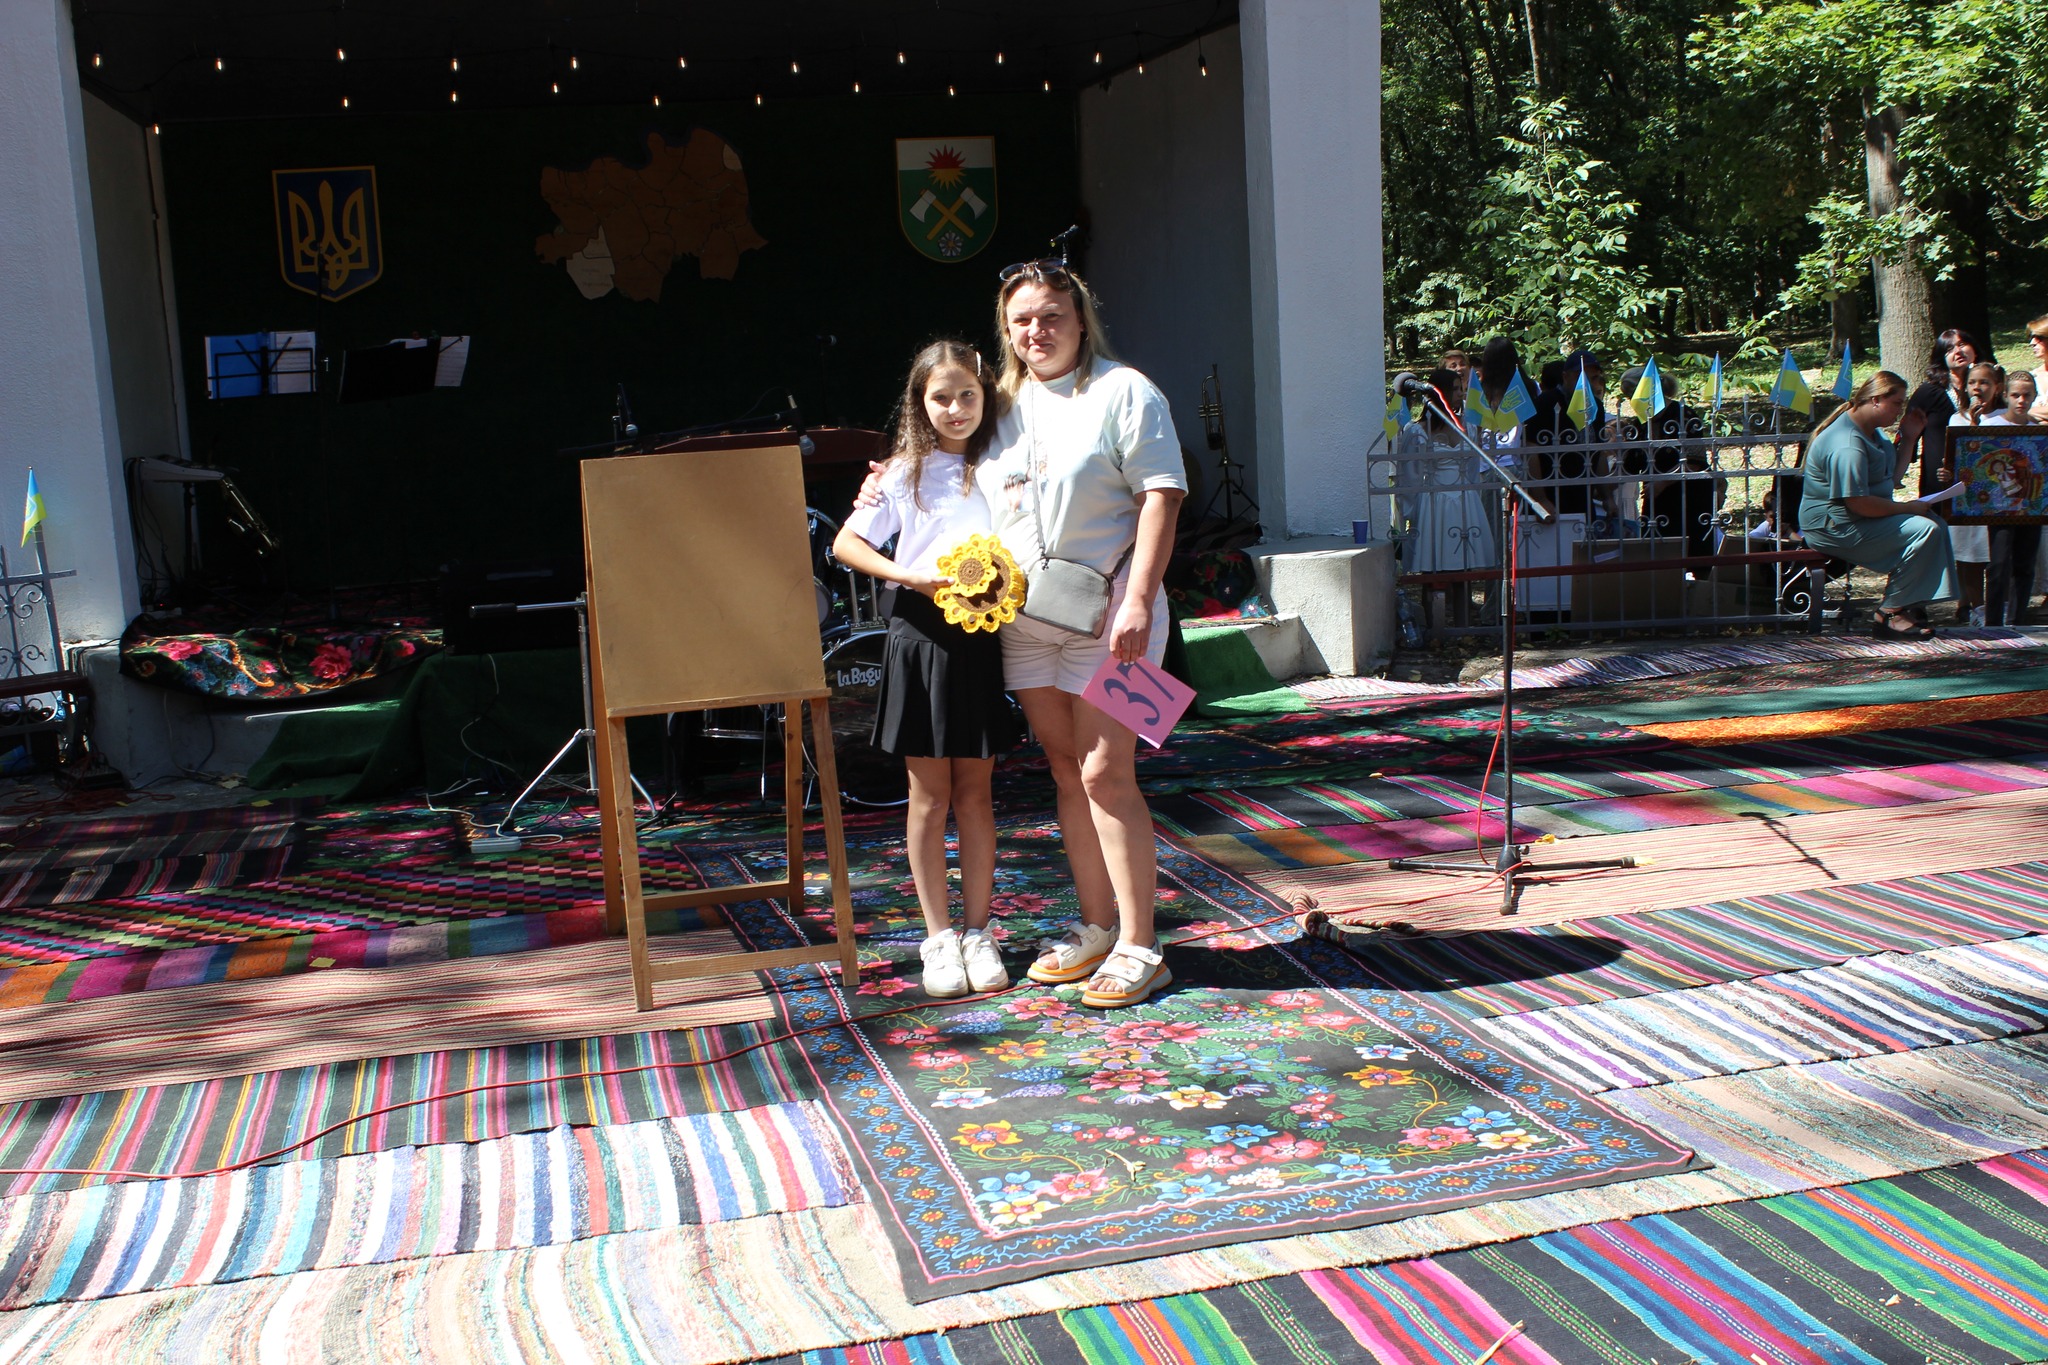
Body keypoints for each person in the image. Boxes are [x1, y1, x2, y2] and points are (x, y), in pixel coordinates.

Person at [856, 262, 1187, 1009]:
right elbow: (936, 458)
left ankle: (1142, 945)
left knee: (1107, 774)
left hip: (1118, 619)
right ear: (1006, 333)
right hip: (1028, 628)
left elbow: (1163, 496)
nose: (1038, 331)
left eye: (1052, 315)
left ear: (1081, 318)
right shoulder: (999, 404)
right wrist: (883, 479)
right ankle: (1099, 925)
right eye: (1022, 321)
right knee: (1067, 771)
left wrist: (1139, 600)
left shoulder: (1126, 391)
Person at [832, 341, 1019, 999]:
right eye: (941, 397)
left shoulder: (1002, 463)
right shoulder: (900, 474)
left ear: (986, 395)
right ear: (920, 403)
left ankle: (978, 932)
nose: (956, 408)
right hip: (919, 635)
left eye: (968, 394)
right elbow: (846, 542)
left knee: (976, 793)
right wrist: (907, 574)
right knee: (929, 796)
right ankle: (937, 937)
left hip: (982, 636)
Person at [1800, 370, 1956, 638]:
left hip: (1855, 519)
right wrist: (1907, 508)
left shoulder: (1873, 434)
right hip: (1833, 528)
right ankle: (1890, 614)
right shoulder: (1847, 444)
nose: (1900, 410)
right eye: (1896, 403)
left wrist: (1909, 437)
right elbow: (1858, 504)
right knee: (1924, 530)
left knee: (1934, 523)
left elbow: (1890, 478)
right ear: (1876, 400)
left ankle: (1905, 605)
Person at [1396, 367, 1496, 575]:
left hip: (1465, 498)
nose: (1461, 393)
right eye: (1455, 389)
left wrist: (1472, 494)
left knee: (1465, 567)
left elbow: (1472, 467)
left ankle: (1462, 596)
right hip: (1434, 501)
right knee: (1433, 568)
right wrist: (1412, 511)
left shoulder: (1468, 427)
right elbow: (1409, 475)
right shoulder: (1417, 430)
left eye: (1461, 388)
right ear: (1440, 392)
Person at [1976, 368, 2043, 625]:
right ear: (2005, 395)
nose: (2021, 401)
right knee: (1999, 564)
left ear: (2034, 396)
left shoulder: (2038, 431)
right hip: (1999, 507)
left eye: (2027, 395)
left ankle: (2017, 619)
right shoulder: (1991, 426)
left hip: (2031, 506)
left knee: (2025, 564)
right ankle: (1993, 621)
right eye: (2015, 395)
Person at [1940, 360, 2005, 622]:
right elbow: (1957, 456)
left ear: (1997, 387)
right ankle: (1976, 608)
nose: (1977, 388)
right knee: (1970, 554)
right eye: (1972, 382)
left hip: (1998, 498)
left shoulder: (2005, 417)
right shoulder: (1957, 418)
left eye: (1984, 382)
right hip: (1968, 497)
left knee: (1996, 555)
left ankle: (1999, 606)